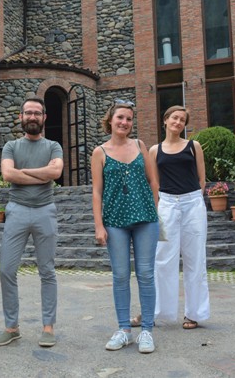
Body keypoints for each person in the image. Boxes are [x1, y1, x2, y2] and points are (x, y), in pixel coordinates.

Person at [0, 96, 63, 348]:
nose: (32, 116)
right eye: (28, 113)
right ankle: (11, 328)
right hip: (17, 210)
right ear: (20, 117)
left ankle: (48, 327)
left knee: (47, 271)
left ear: (44, 118)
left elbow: (56, 172)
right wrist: (42, 174)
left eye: (37, 113)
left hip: (45, 211)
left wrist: (22, 173)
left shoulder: (53, 146)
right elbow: (7, 174)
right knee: (6, 269)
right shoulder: (11, 146)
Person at [91, 100, 159, 354]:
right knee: (120, 275)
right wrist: (99, 225)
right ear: (110, 120)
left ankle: (147, 331)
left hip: (145, 219)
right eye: (120, 117)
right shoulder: (100, 152)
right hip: (115, 221)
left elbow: (153, 181)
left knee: (146, 274)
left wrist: (153, 209)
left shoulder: (140, 146)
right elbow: (97, 192)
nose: (124, 122)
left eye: (129, 119)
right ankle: (124, 330)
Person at [150, 105, 210, 330]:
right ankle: (160, 311)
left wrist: (194, 200)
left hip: (192, 204)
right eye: (174, 118)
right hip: (166, 205)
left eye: (182, 120)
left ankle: (194, 314)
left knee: (195, 259)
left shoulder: (194, 146)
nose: (178, 122)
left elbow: (202, 179)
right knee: (163, 258)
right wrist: (157, 209)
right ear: (165, 120)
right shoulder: (155, 150)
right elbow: (154, 183)